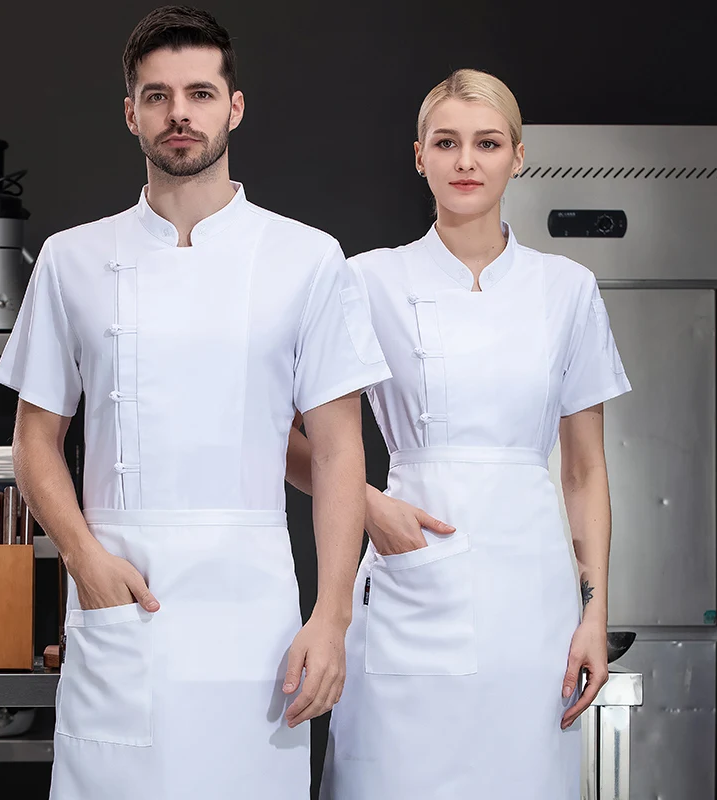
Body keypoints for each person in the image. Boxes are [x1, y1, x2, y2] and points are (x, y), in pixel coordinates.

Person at [0, 6, 391, 799]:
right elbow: (35, 442)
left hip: (256, 615)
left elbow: (343, 451)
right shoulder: (73, 260)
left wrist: (333, 617)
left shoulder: (308, 259)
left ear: (233, 107)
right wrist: (84, 562)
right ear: (131, 113)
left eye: (201, 93)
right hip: (121, 598)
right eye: (158, 95)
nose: (180, 113)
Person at [286, 69, 631, 799]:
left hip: (531, 607)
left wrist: (594, 615)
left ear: (517, 156)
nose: (466, 162)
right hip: (411, 588)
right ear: (420, 157)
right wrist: (370, 504)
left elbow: (584, 473)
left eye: (487, 143)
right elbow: (279, 434)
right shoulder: (367, 281)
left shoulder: (567, 289)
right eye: (447, 143)